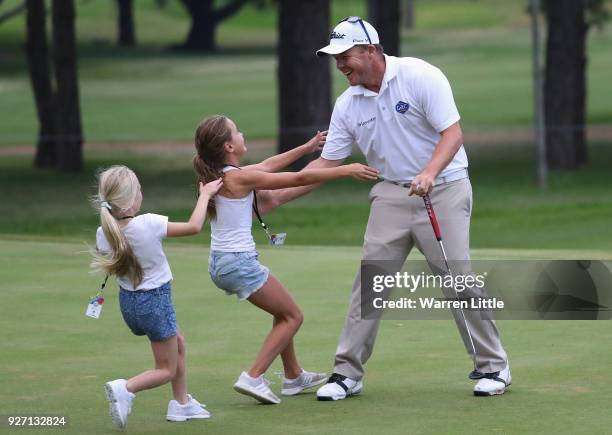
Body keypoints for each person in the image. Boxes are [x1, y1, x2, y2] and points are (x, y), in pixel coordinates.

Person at [274, 17, 511, 400]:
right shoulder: (347, 103)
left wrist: (430, 173)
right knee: (371, 282)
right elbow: (326, 165)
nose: (339, 65)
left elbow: (453, 134)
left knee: (457, 279)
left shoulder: (420, 76)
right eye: (334, 59)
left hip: (444, 188)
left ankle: (493, 366)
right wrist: (276, 195)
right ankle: (346, 373)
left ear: (370, 51)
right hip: (390, 194)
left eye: (345, 56)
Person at [193, 114, 379, 404]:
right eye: (237, 131)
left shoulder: (220, 174)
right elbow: (298, 178)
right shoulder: (238, 177)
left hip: (221, 263)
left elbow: (268, 165)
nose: (242, 134)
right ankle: (253, 376)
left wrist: (306, 148)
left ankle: (293, 376)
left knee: (282, 314)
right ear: (229, 146)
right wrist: (345, 170)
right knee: (293, 317)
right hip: (239, 263)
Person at [92, 165, 223, 429]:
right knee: (166, 369)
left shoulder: (103, 232)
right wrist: (205, 195)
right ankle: (126, 388)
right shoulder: (148, 223)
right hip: (155, 302)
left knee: (179, 343)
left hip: (129, 304)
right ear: (132, 200)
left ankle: (181, 404)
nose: (142, 192)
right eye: (139, 189)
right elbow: (194, 226)